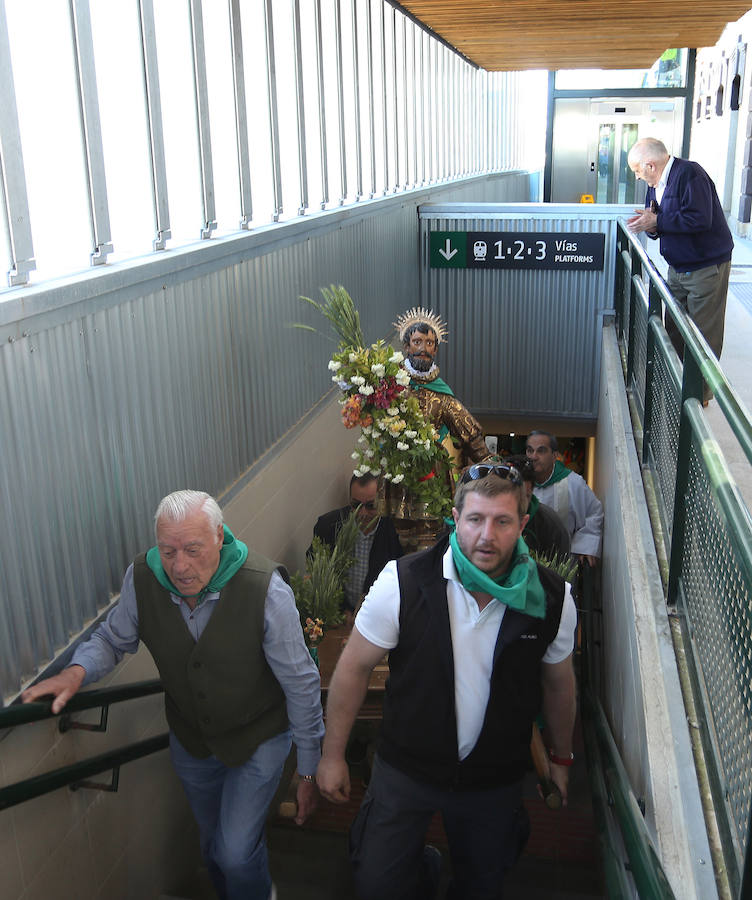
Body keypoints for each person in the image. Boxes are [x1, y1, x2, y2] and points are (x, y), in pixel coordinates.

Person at [21, 490, 324, 900]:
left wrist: (308, 769)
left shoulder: (263, 588)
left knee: (235, 852)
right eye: (168, 550)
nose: (179, 566)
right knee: (212, 847)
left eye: (193, 549)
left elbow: (301, 682)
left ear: (219, 537)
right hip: (192, 742)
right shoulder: (144, 577)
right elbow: (113, 639)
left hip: (259, 738)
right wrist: (77, 672)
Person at [317, 463, 577, 900]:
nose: (486, 535)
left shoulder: (553, 599)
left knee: (480, 886)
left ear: (523, 524)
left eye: (502, 521)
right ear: (455, 520)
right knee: (378, 884)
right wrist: (332, 755)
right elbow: (354, 667)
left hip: (493, 779)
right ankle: (423, 869)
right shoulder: (404, 581)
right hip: (406, 769)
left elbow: (558, 684)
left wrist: (562, 758)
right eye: (475, 519)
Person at [626, 137, 733, 403]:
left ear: (650, 165)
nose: (639, 178)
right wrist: (650, 226)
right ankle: (675, 386)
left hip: (705, 267)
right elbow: (661, 221)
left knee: (703, 335)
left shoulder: (690, 174)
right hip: (677, 267)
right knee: (673, 329)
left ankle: (700, 396)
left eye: (638, 171)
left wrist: (658, 220)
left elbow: (700, 218)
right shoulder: (656, 184)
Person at [394, 307, 491, 466]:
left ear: (435, 350)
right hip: (396, 470)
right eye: (417, 342)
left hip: (431, 475)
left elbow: (470, 434)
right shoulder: (391, 385)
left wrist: (489, 460)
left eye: (429, 343)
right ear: (406, 346)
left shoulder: (442, 395)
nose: (423, 349)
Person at [310, 472, 404, 613]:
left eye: (371, 506)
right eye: (356, 505)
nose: (362, 513)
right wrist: (341, 611)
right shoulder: (328, 526)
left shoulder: (395, 532)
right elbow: (317, 575)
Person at [525, 431, 603, 567]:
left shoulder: (573, 483)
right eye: (530, 451)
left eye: (541, 451)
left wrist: (585, 546)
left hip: (560, 562)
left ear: (555, 456)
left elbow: (593, 513)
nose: (534, 456)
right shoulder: (518, 482)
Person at [505, 454, 570, 559]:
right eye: (513, 495)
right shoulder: (488, 519)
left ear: (531, 491)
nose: (519, 503)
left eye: (525, 496)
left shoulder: (551, 524)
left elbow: (561, 569)